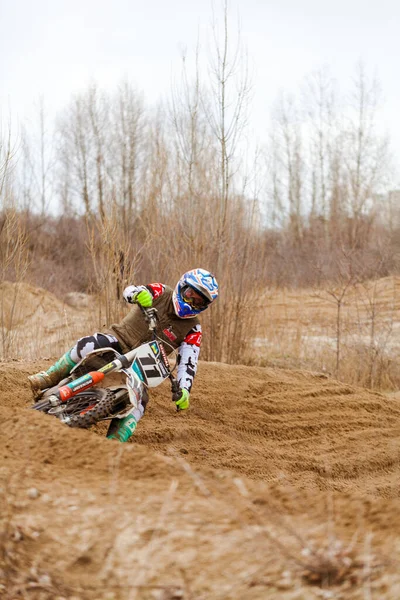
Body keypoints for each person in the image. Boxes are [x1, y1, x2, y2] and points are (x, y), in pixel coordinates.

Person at [28, 268, 219, 442]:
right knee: (89, 344)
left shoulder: (193, 327)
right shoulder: (162, 291)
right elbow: (129, 290)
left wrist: (185, 390)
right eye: (190, 294)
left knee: (140, 404)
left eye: (199, 300)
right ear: (182, 286)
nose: (192, 301)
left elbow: (189, 362)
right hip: (118, 340)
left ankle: (114, 443)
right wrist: (138, 293)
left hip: (142, 367)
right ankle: (48, 377)